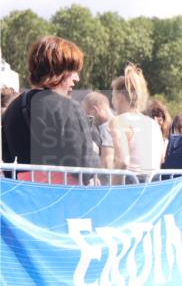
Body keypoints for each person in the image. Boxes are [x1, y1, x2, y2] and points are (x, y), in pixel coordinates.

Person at [1, 36, 100, 182]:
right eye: (72, 70)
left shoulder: (12, 108)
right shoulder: (68, 108)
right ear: (57, 70)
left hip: (24, 199)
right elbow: (85, 170)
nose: (77, 78)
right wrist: (94, 151)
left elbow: (8, 163)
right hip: (63, 199)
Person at [110, 64, 162, 178]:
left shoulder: (119, 121)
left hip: (131, 186)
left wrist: (110, 189)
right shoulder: (153, 124)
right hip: (155, 187)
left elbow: (122, 162)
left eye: (112, 97)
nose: (112, 102)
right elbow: (161, 158)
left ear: (119, 98)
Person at [82, 91, 116, 169]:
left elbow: (107, 163)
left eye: (87, 114)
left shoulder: (107, 127)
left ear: (95, 109)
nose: (87, 119)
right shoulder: (118, 121)